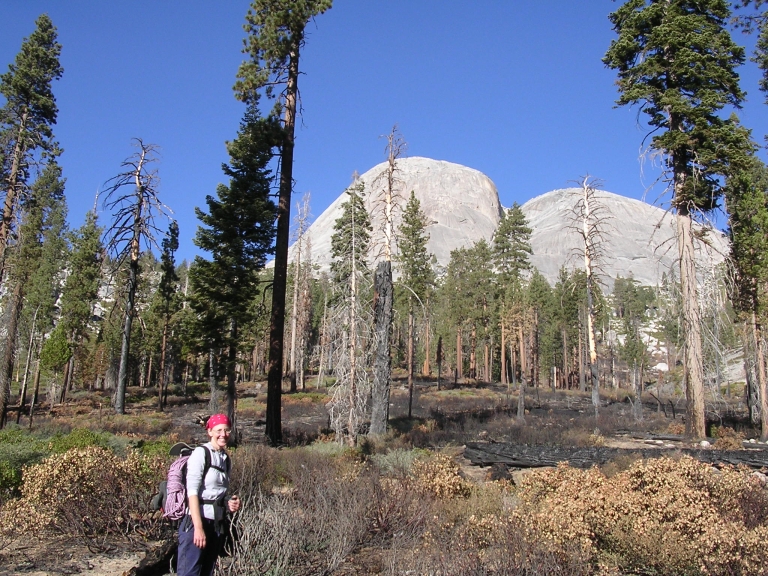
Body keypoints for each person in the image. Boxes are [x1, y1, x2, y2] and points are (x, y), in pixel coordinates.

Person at [177, 413, 241, 576]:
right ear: (210, 432)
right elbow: (192, 493)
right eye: (219, 430)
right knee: (190, 572)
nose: (223, 435)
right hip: (196, 522)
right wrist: (198, 528)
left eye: (227, 430)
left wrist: (228, 503)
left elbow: (216, 493)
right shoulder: (201, 453)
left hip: (216, 524)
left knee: (207, 571)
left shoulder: (225, 458)